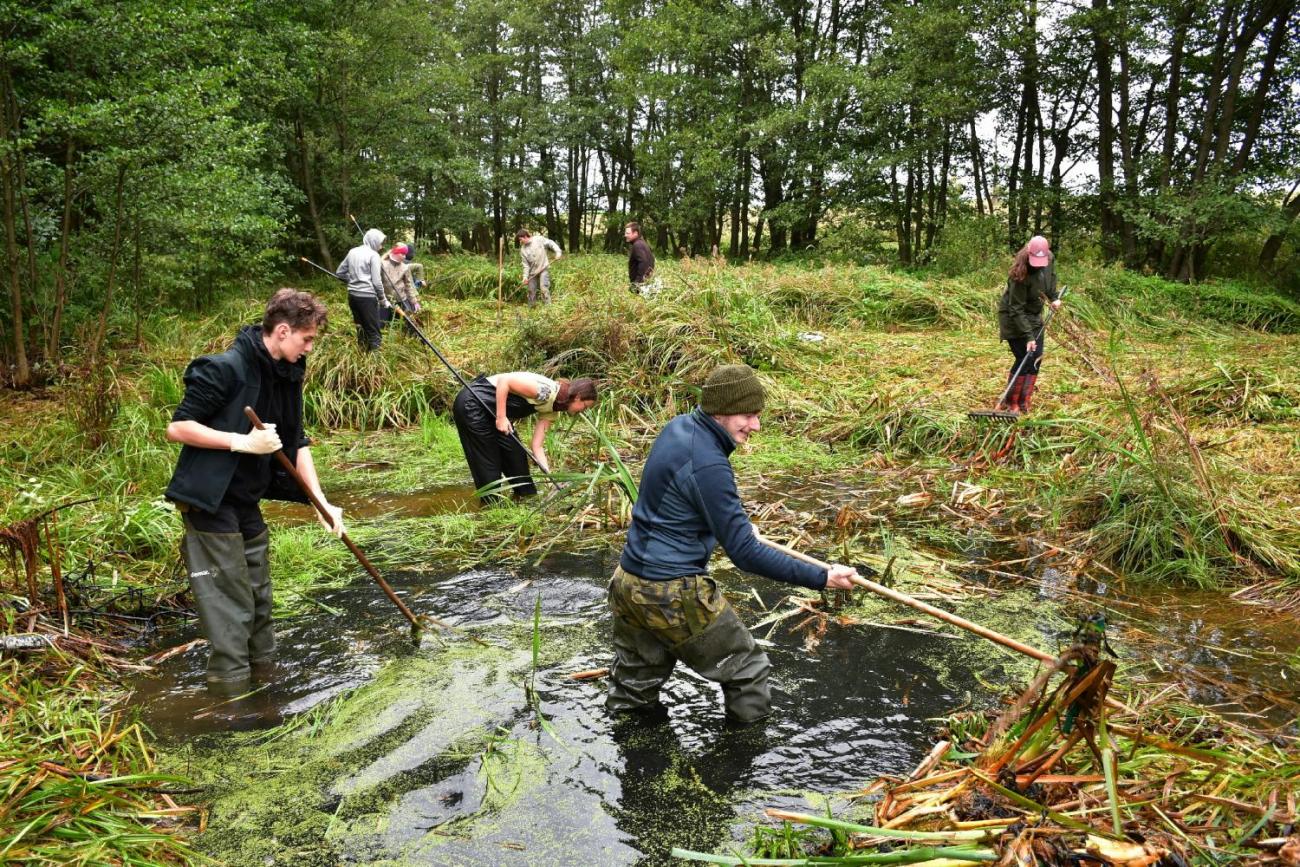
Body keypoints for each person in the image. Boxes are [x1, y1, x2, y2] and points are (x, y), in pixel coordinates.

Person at [606, 364, 858, 724]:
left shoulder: (678, 428)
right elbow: (745, 554)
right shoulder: (709, 463)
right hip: (670, 590)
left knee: (635, 684)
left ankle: (630, 753)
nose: (755, 426)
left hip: (629, 582)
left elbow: (678, 502)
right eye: (748, 415)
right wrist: (822, 576)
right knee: (748, 672)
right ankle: (743, 761)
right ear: (720, 411)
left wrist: (733, 525)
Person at [164, 289, 344, 692]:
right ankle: (231, 703)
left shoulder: (287, 374)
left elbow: (296, 442)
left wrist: (321, 502)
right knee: (231, 606)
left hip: (246, 498)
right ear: (283, 331)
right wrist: (239, 442)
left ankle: (265, 685)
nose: (310, 347)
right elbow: (178, 427)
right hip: (210, 501)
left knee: (260, 598)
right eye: (307, 339)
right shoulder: (225, 368)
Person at [452, 371, 597, 503]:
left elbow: (537, 446)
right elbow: (505, 381)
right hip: (473, 403)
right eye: (584, 406)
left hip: (494, 413)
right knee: (489, 462)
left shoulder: (554, 409)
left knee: (516, 455)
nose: (583, 411)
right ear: (577, 397)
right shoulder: (546, 391)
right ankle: (489, 506)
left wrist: (548, 475)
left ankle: (524, 499)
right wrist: (501, 417)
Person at [997, 235, 1062, 414]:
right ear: (1028, 255)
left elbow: (1050, 282)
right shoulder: (1019, 274)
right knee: (1023, 357)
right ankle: (1011, 403)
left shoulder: (1049, 259)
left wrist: (1054, 298)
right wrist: (1028, 336)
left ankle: (1024, 401)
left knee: (1036, 358)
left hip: (1033, 315)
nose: (1039, 265)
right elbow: (1016, 309)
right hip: (1013, 317)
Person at [336, 228, 390, 351]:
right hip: (367, 298)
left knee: (360, 326)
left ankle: (362, 354)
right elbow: (377, 282)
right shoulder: (374, 255)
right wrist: (383, 299)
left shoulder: (352, 252)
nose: (381, 247)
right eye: (380, 243)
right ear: (374, 241)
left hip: (352, 297)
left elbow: (339, 273)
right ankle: (375, 364)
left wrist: (352, 280)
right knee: (373, 331)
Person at [517, 229, 562, 306]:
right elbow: (526, 265)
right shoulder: (523, 250)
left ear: (525, 236)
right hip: (532, 273)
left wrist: (558, 252)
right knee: (531, 290)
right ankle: (531, 308)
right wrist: (525, 277)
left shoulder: (538, 239)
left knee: (543, 288)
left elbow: (551, 243)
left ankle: (548, 307)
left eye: (521, 239)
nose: (520, 241)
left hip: (543, 268)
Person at [381, 243, 421, 315]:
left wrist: (414, 301)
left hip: (402, 299)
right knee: (382, 324)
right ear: (396, 253)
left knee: (409, 321)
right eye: (402, 254)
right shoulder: (382, 264)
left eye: (405, 254)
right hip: (386, 300)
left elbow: (408, 285)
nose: (404, 256)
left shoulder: (405, 267)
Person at [625, 221, 655, 292]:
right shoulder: (642, 243)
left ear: (635, 233)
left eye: (628, 233)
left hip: (640, 287)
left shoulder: (637, 245)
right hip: (645, 284)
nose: (625, 235)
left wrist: (637, 283)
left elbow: (644, 262)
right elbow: (652, 260)